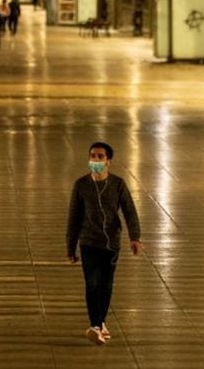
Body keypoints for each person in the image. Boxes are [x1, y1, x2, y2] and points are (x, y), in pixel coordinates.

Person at [66, 142, 142, 346]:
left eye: (100, 157)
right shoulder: (81, 185)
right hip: (89, 243)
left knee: (106, 285)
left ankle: (101, 322)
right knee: (92, 284)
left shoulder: (118, 184)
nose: (96, 160)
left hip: (111, 244)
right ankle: (95, 325)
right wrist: (70, 247)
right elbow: (73, 218)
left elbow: (129, 211)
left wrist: (135, 237)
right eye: (93, 156)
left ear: (108, 160)